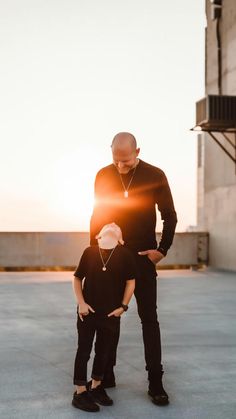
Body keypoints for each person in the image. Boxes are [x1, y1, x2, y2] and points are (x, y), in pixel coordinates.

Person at [90, 132, 177, 406]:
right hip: (111, 258)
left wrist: (161, 250)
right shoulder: (103, 175)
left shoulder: (155, 174)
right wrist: (94, 256)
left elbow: (170, 214)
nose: (120, 166)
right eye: (116, 160)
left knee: (149, 319)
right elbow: (98, 214)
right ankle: (106, 374)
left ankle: (155, 382)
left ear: (137, 151)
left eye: (126, 161)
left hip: (142, 258)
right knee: (107, 317)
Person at [72, 222, 136, 413]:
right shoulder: (89, 252)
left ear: (120, 240)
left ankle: (97, 386)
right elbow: (77, 278)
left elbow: (130, 282)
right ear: (99, 237)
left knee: (103, 351)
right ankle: (80, 392)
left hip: (110, 314)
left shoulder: (125, 255)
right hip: (87, 312)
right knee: (84, 350)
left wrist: (123, 306)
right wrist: (81, 303)